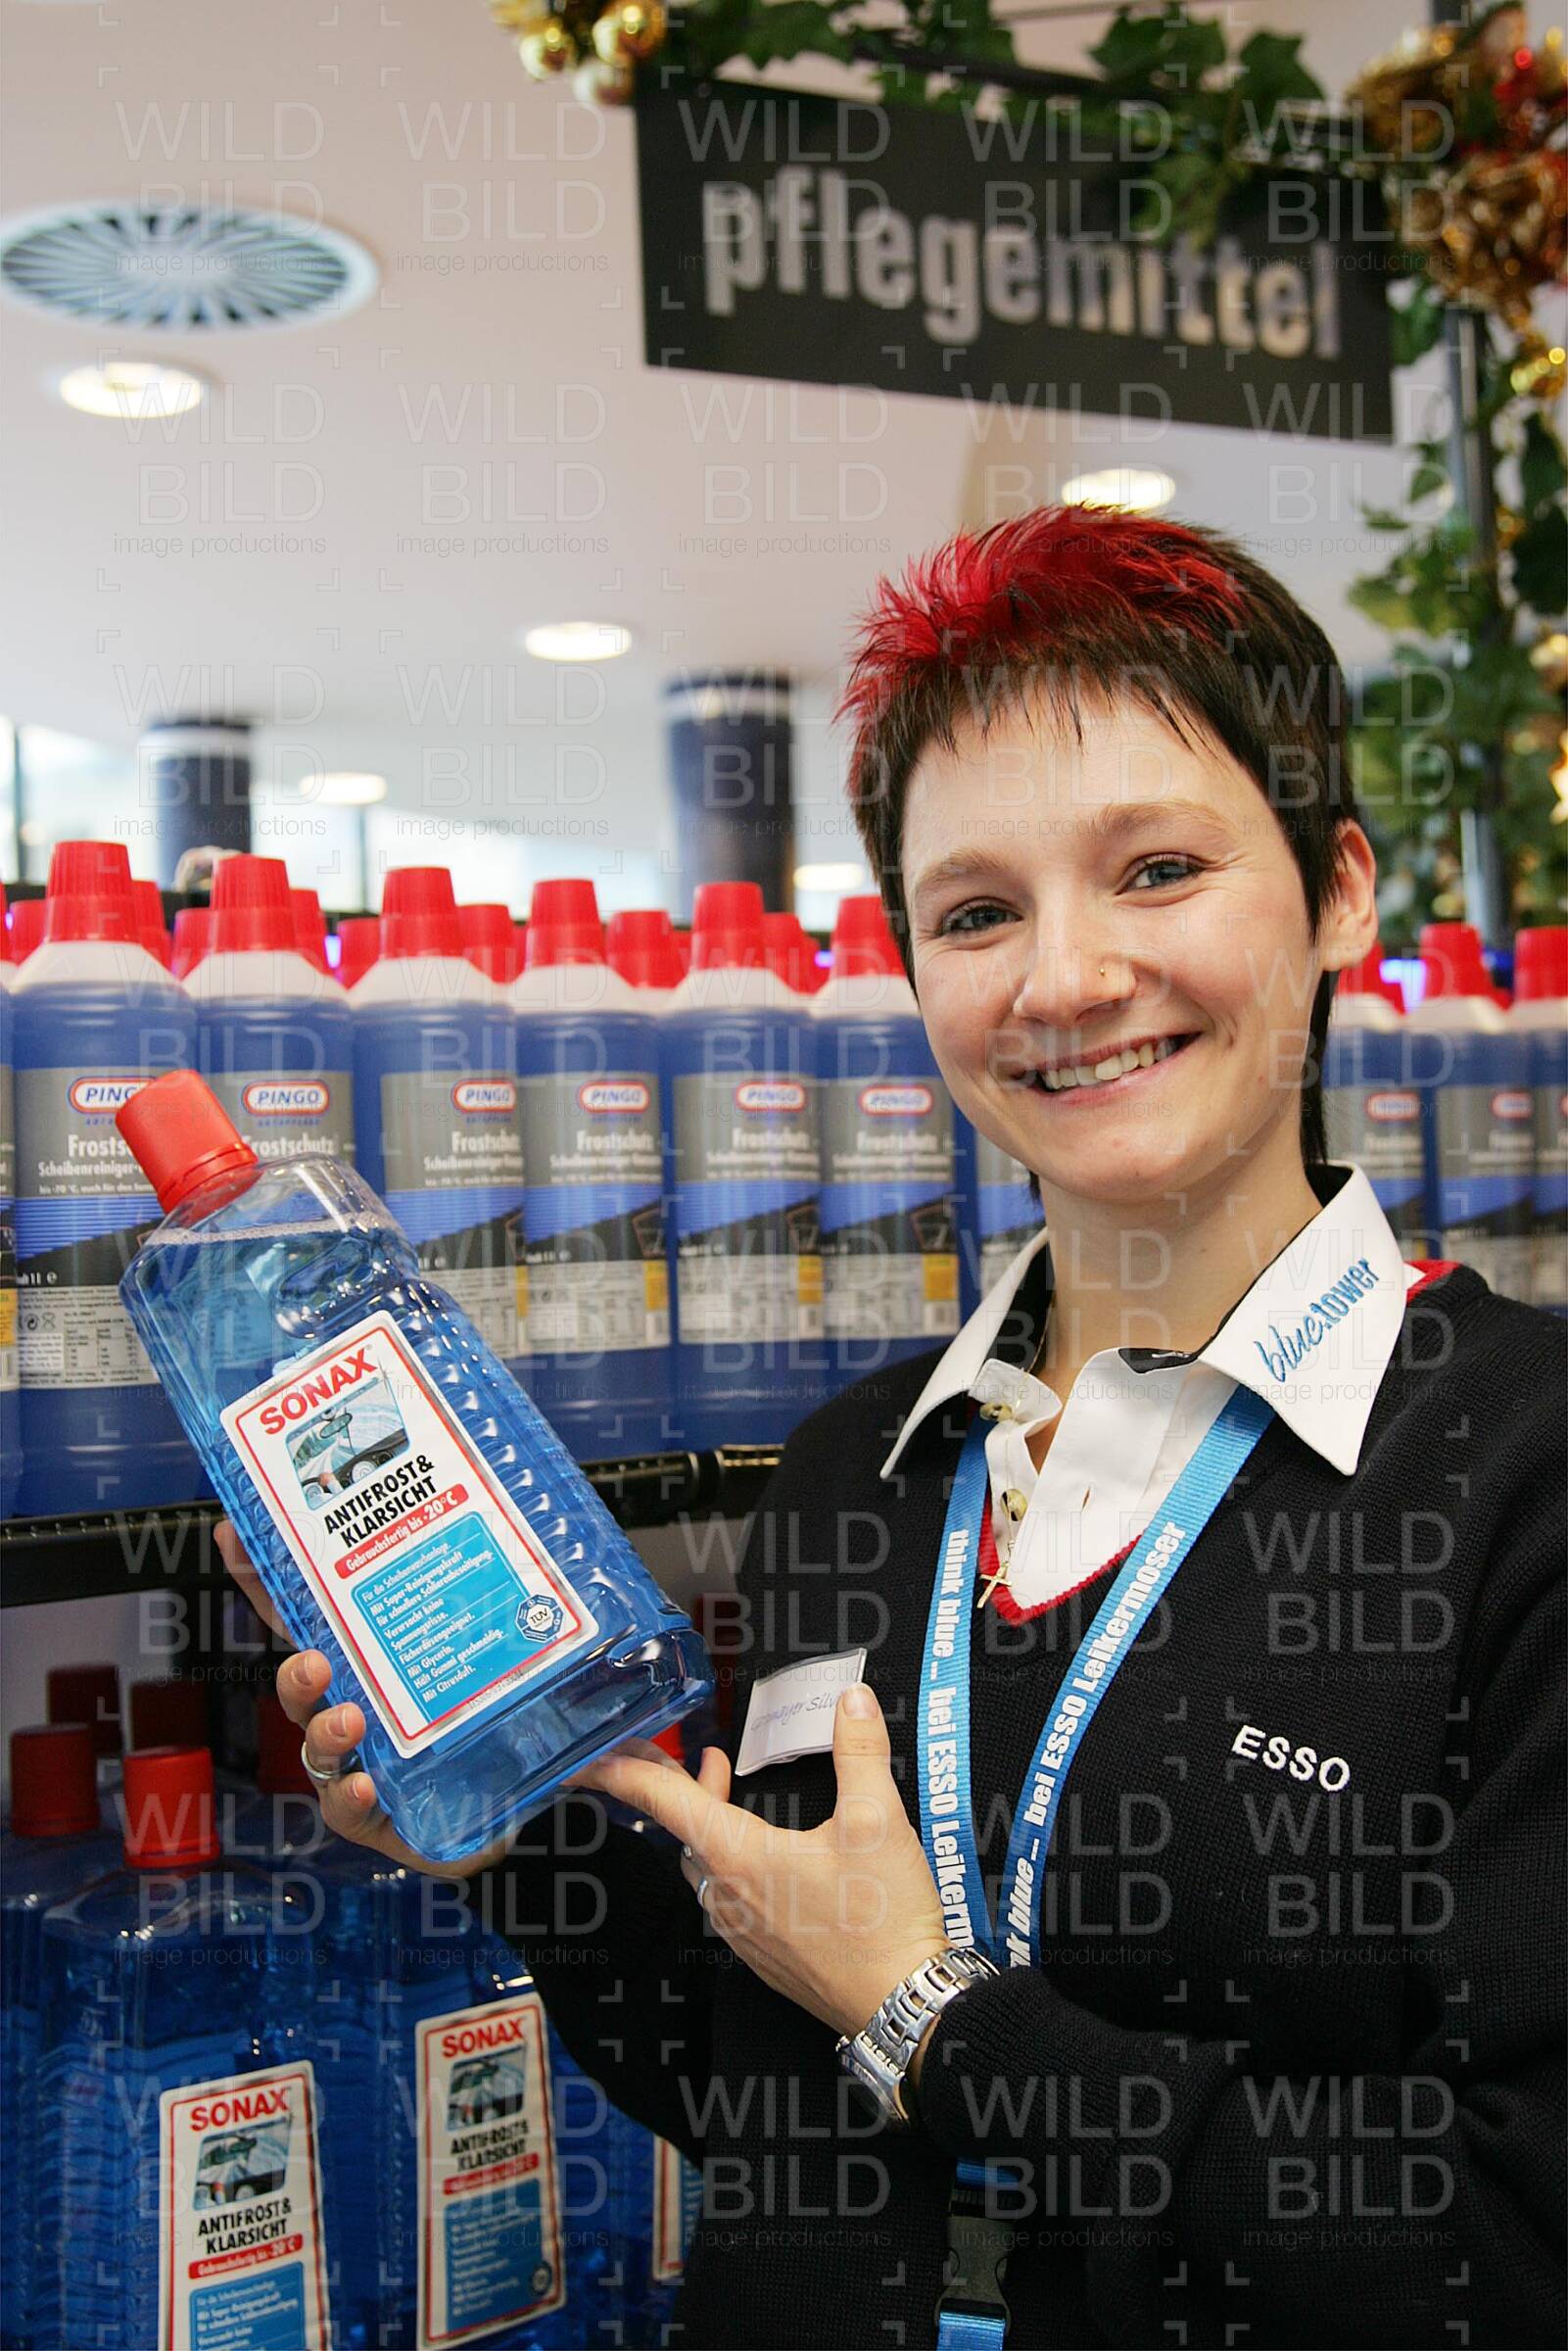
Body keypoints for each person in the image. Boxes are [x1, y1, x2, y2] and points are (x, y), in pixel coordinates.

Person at [220, 506, 1566, 2350]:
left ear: (1337, 891)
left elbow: (1511, 2239)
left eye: (1158, 869)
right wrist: (514, 1833)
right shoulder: (857, 1467)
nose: (1063, 979)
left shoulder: (1514, 1469)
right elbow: (771, 2098)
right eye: (977, 912)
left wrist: (939, 2021)